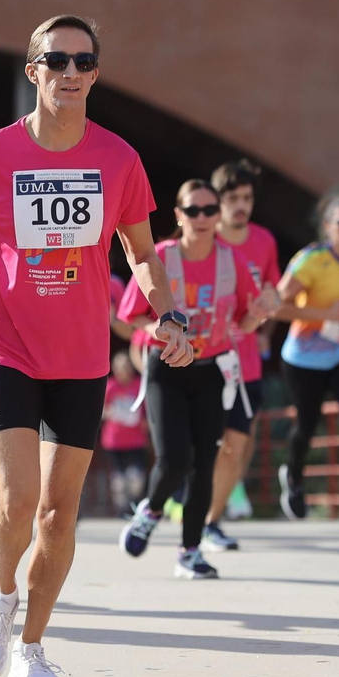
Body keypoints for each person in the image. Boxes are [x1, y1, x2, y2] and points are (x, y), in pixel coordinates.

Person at [0, 14, 194, 677]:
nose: (72, 73)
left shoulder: (118, 159)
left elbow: (141, 253)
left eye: (84, 62)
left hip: (81, 355)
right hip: (7, 344)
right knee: (18, 500)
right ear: (34, 72)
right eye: (56, 61)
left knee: (59, 515)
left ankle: (32, 648)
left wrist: (166, 310)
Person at [118, 179, 267, 579]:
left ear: (218, 216)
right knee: (174, 458)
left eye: (209, 210)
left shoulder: (231, 260)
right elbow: (130, 316)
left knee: (205, 463)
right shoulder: (161, 257)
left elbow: (245, 320)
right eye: (193, 210)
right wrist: (160, 331)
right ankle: (149, 511)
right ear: (179, 215)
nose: (202, 219)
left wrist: (263, 310)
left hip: (211, 371)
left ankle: (190, 551)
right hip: (165, 369)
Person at [275, 196, 339, 530]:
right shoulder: (312, 260)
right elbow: (277, 306)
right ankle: (293, 476)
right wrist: (324, 316)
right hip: (305, 357)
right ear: (327, 227)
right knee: (306, 425)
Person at [206, 160, 282, 548]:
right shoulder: (201, 237)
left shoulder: (265, 242)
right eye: (232, 198)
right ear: (217, 201)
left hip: (246, 360)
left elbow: (273, 292)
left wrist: (268, 321)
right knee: (202, 445)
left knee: (236, 445)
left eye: (247, 198)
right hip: (203, 358)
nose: (241, 205)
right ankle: (184, 505)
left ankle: (211, 521)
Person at [101, 351, 148, 518]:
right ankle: (122, 510)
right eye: (120, 368)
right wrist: (113, 412)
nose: (124, 371)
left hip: (136, 440)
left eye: (127, 367)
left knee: (136, 478)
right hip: (114, 441)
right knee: (119, 481)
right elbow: (100, 411)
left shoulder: (139, 385)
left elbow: (148, 409)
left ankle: (135, 504)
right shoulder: (110, 386)